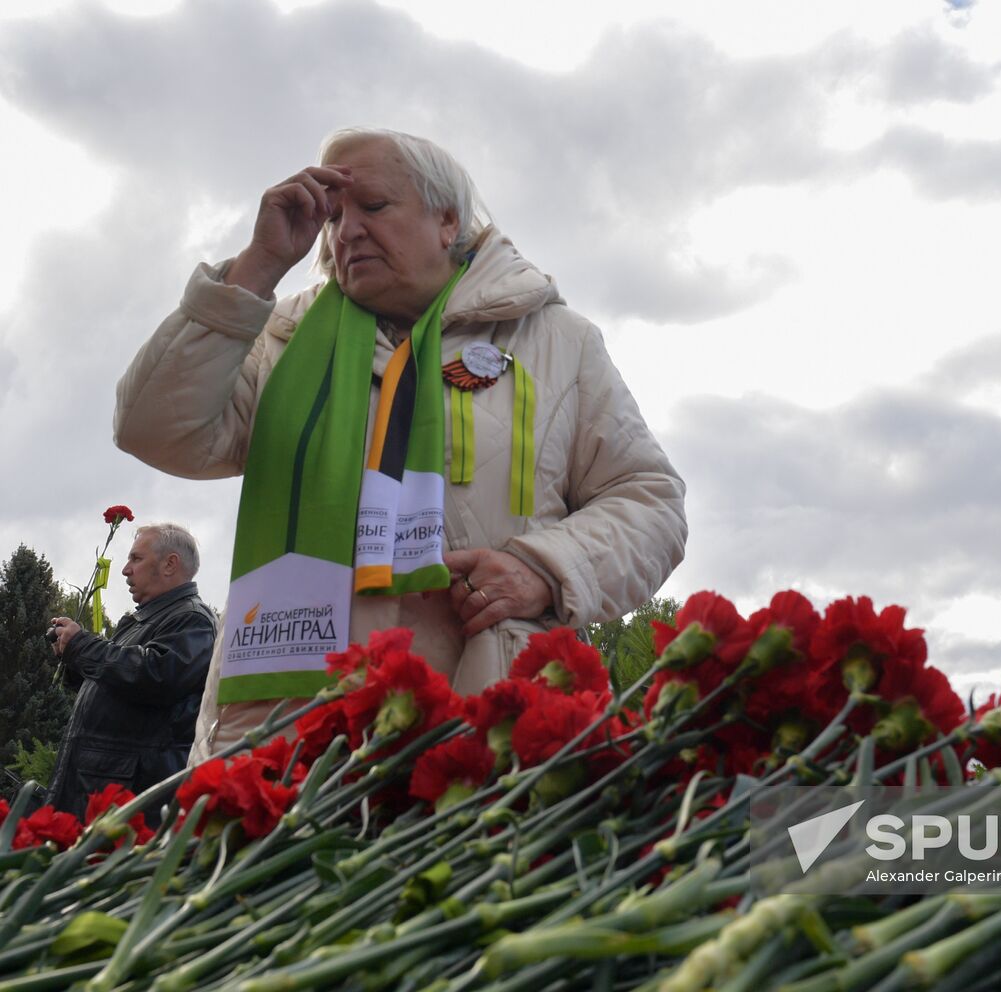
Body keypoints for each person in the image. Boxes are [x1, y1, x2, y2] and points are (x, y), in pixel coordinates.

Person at [114, 127, 687, 763]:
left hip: (489, 732)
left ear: (447, 220)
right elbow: (153, 428)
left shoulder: (555, 341)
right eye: (334, 216)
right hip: (285, 735)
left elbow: (651, 504)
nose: (346, 231)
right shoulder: (281, 335)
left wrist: (546, 568)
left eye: (374, 208)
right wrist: (255, 269)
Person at [47, 523, 217, 814]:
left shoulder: (192, 619)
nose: (125, 569)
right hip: (99, 792)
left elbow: (155, 676)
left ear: (169, 564)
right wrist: (75, 659)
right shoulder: (147, 620)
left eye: (136, 559)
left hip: (125, 803)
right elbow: (121, 694)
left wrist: (83, 646)